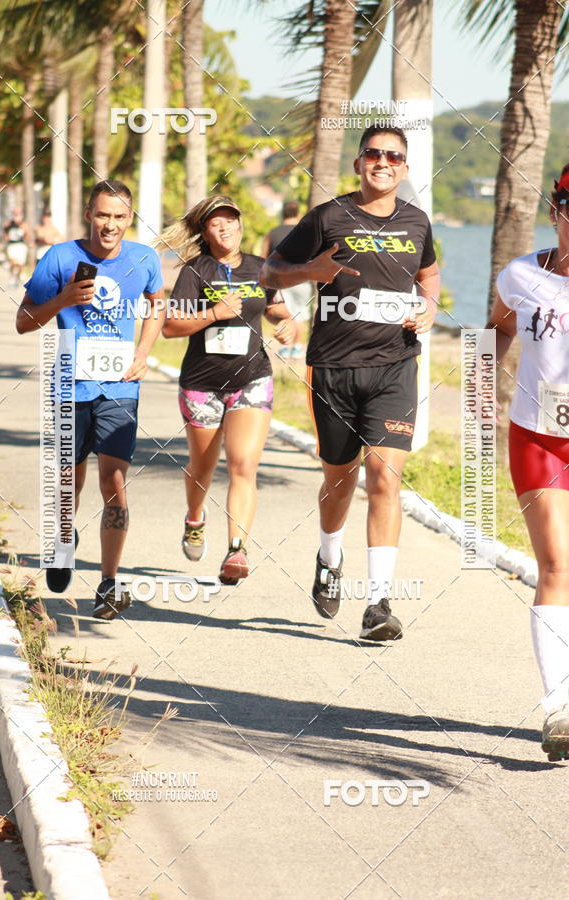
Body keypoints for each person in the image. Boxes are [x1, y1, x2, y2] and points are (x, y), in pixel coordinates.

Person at [260, 125, 440, 641]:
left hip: (396, 366)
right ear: (360, 162)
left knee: (384, 476)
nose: (383, 162)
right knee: (340, 482)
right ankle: (328, 556)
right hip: (334, 368)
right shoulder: (329, 216)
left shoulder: (417, 221)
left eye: (394, 156)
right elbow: (272, 271)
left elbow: (428, 275)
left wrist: (427, 308)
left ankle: (379, 603)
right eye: (374, 154)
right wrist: (309, 271)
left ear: (404, 168)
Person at [16, 179, 165, 619]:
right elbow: (24, 321)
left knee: (113, 484)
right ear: (89, 213)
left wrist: (143, 353)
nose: (110, 225)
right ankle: (62, 544)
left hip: (119, 388)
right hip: (69, 385)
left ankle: (108, 582)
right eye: (103, 215)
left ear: (129, 218)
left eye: (119, 217)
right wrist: (62, 298)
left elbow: (157, 304)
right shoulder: (61, 257)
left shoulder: (144, 258)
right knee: (67, 483)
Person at [158, 195, 296, 584]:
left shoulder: (261, 268)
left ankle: (236, 550)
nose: (225, 228)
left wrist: (287, 324)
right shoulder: (194, 271)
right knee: (202, 469)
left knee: (243, 465)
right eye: (216, 223)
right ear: (205, 231)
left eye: (231, 221)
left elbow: (276, 308)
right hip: (202, 383)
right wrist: (215, 313)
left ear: (240, 224)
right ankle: (195, 516)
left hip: (251, 377)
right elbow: (171, 327)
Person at [488, 166, 569, 761]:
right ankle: (559, 707)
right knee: (557, 566)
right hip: (538, 437)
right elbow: (497, 330)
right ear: (555, 210)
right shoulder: (520, 274)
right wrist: (481, 397)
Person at [263, 201, 314, 360]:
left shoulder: (272, 233)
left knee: (287, 313)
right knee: (300, 313)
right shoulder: (304, 232)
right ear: (298, 214)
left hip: (279, 280)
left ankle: (285, 347)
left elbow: (263, 258)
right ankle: (297, 347)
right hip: (302, 280)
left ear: (282, 214)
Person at [4, 207, 29, 286]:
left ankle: (17, 279)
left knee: (20, 265)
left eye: (18, 214)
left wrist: (25, 235)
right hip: (11, 245)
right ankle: (12, 276)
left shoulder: (24, 224)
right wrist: (6, 238)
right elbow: (5, 235)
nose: (17, 215)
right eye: (15, 214)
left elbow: (27, 236)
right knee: (13, 262)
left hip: (21, 245)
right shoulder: (8, 224)